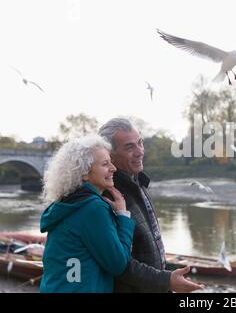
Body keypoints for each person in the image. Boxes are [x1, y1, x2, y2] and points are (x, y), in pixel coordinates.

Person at [99, 118, 203, 293]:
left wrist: (166, 280)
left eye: (140, 143)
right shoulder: (108, 195)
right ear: (109, 154)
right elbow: (119, 264)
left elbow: (149, 249)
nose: (140, 152)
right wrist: (167, 281)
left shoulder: (137, 182)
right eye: (129, 147)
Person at [39, 135, 135, 293]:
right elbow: (118, 264)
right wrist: (123, 216)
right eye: (105, 164)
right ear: (84, 173)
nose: (113, 168)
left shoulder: (65, 203)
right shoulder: (93, 209)